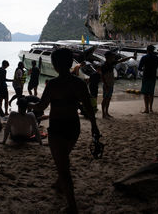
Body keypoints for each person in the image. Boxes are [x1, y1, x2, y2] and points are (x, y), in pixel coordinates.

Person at [29, 48, 100, 213]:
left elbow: (42, 106)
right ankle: (59, 182)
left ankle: (72, 206)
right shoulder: (80, 83)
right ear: (70, 63)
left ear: (54, 65)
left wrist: (29, 104)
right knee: (63, 158)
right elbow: (89, 108)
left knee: (63, 167)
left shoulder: (53, 84)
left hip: (58, 128)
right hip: (74, 127)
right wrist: (94, 126)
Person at [101, 51, 136, 118]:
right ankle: (103, 114)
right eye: (112, 56)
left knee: (108, 98)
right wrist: (105, 84)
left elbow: (122, 60)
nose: (113, 57)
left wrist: (130, 57)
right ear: (108, 57)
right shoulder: (104, 66)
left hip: (111, 83)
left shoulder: (112, 63)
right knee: (105, 99)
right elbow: (102, 76)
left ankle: (107, 112)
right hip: (107, 84)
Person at [138, 45, 158, 113]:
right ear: (153, 50)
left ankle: (146, 109)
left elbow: (139, 68)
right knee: (151, 93)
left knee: (146, 93)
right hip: (153, 76)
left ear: (147, 50)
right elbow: (156, 66)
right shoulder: (156, 57)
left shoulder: (144, 57)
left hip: (146, 76)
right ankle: (151, 108)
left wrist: (144, 68)